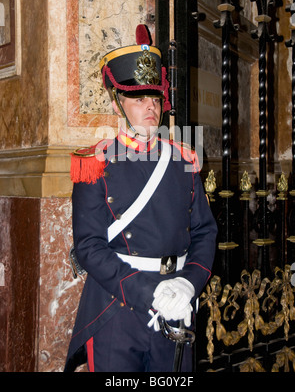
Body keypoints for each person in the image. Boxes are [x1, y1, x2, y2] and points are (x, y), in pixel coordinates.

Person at [64, 25, 217, 372]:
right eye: (137, 98)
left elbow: (205, 233)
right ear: (118, 102)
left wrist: (187, 284)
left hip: (176, 306)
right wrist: (147, 293)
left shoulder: (184, 161)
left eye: (155, 98)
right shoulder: (95, 164)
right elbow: (89, 246)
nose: (150, 107)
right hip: (118, 309)